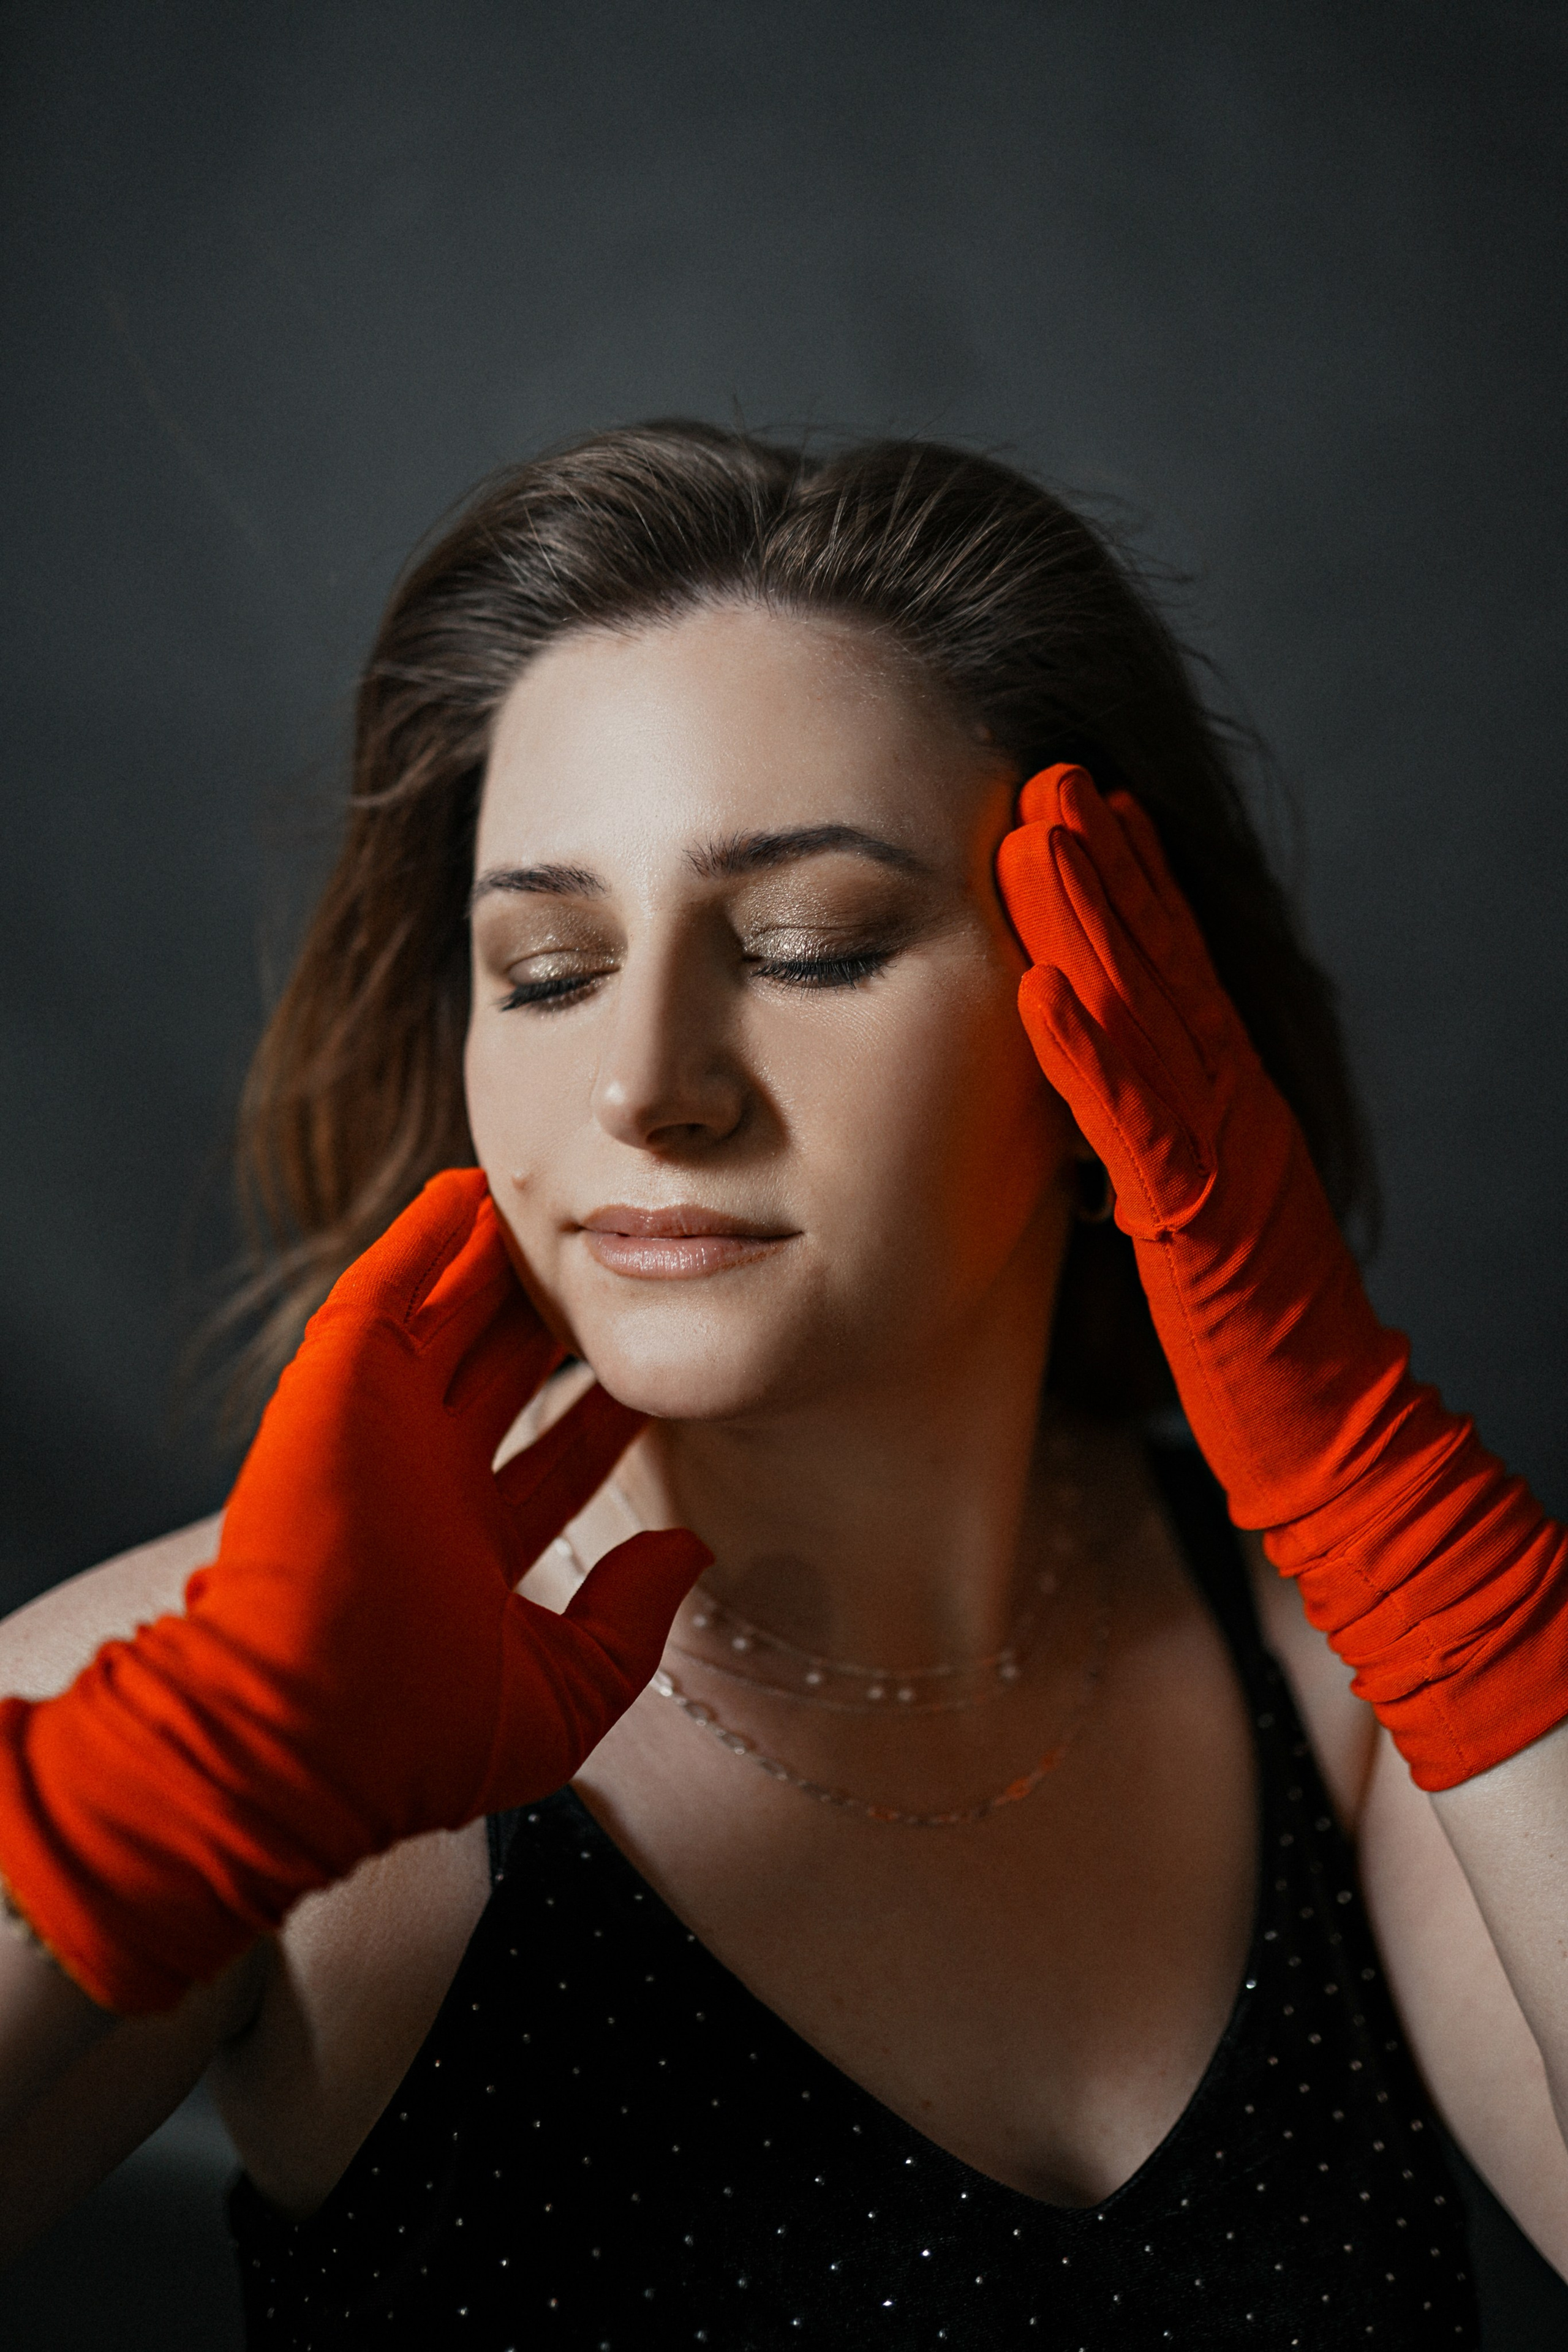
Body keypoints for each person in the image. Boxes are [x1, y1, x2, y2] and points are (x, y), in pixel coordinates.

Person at [0, 423, 1564, 2348]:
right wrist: (181, 1796)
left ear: (1118, 1025)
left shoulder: (1372, 1695)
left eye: (809, 946)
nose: (650, 1078)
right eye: (548, 967)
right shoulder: (168, 1699)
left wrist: (1409, 1530)